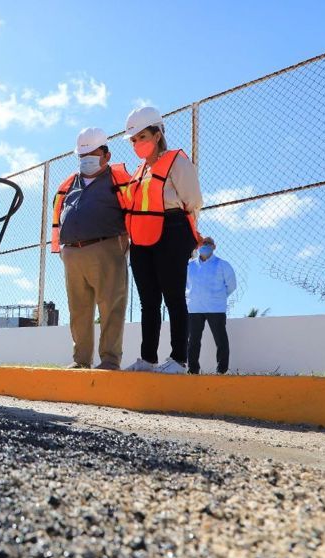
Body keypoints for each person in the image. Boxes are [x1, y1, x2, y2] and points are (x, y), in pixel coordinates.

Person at [122, 106, 202, 374]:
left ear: (157, 135)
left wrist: (186, 237)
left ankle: (179, 359)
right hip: (141, 237)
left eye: (142, 137)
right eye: (133, 140)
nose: (137, 144)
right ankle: (148, 359)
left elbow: (193, 200)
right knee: (148, 301)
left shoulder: (176, 161)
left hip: (172, 229)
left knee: (173, 297)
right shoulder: (139, 171)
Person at [50, 127, 131, 370]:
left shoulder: (119, 180)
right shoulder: (69, 184)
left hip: (106, 248)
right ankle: (81, 360)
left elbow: (133, 210)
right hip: (72, 253)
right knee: (79, 310)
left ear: (106, 155)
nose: (86, 161)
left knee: (111, 306)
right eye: (81, 156)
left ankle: (109, 359)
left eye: (91, 154)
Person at [186, 237, 236, 374]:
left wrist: (218, 297)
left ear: (214, 247)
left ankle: (222, 370)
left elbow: (231, 285)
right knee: (193, 341)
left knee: (220, 339)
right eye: (203, 243)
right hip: (194, 308)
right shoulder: (190, 266)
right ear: (198, 246)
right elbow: (185, 285)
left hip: (216, 308)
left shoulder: (222, 265)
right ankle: (193, 369)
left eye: (208, 243)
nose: (205, 245)